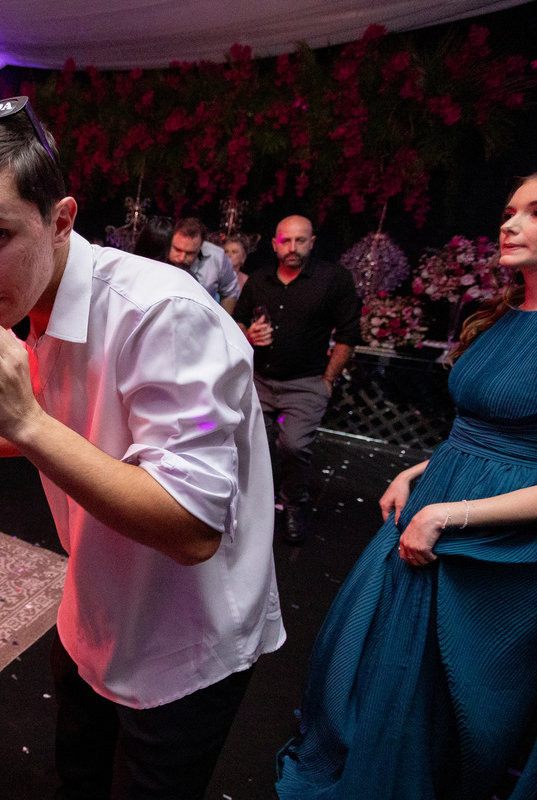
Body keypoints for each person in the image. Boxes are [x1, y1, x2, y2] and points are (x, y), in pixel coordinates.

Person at [0, 98, 284, 800]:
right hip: (91, 610)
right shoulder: (37, 302)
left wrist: (24, 422)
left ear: (61, 220)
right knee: (78, 778)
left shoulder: (162, 314)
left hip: (183, 639)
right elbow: (84, 430)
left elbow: (192, 527)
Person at [277, 175, 537, 800]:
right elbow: (480, 430)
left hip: (496, 542)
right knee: (385, 665)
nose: (510, 224)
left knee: (445, 694)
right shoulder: (505, 317)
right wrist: (416, 471)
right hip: (439, 498)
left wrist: (450, 516)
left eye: (534, 213)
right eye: (509, 211)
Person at [232, 215, 361, 543]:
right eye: (286, 241)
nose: (292, 247)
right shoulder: (259, 280)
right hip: (260, 379)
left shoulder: (333, 279)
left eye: (300, 240)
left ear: (312, 242)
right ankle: (248, 503)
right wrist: (247, 335)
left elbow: (348, 335)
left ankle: (293, 505)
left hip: (306, 381)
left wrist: (328, 380)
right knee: (247, 441)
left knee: (293, 445)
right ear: (275, 244)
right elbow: (236, 321)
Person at [166, 217, 241, 313]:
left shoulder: (218, 258)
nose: (181, 258)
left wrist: (221, 320)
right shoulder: (161, 249)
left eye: (190, 253)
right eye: (177, 249)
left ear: (201, 246)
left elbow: (229, 294)